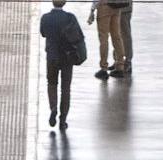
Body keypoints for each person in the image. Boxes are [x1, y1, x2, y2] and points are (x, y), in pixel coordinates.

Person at [39, 0, 83, 129]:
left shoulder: (46, 18)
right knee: (65, 89)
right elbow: (78, 37)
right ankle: (63, 119)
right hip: (67, 58)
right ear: (64, 3)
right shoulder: (70, 18)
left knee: (52, 83)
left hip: (52, 57)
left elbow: (43, 33)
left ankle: (53, 108)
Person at [88, 0, 127, 79]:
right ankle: (120, 66)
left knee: (103, 38)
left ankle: (104, 68)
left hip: (104, 6)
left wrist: (92, 10)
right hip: (116, 6)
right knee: (117, 37)